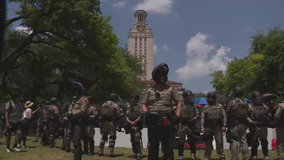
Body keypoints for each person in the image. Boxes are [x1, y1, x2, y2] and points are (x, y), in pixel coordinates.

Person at [140, 63, 182, 160]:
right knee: (153, 145)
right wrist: (147, 113)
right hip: (153, 120)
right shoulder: (150, 90)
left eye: (164, 75)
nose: (162, 77)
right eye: (160, 75)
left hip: (166, 119)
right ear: (156, 76)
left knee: (168, 145)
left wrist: (177, 115)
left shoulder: (170, 89)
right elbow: (144, 104)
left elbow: (179, 102)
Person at [67, 82, 89, 160]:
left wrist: (72, 113)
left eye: (76, 90)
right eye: (74, 90)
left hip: (79, 122)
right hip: (73, 122)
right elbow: (70, 108)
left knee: (76, 141)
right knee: (73, 140)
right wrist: (69, 113)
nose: (74, 91)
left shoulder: (84, 99)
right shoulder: (74, 100)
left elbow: (82, 111)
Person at [201, 91, 226, 160]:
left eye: (212, 97)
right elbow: (202, 117)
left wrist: (224, 125)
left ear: (215, 98)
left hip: (217, 126)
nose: (210, 99)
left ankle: (221, 157)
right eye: (209, 98)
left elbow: (224, 116)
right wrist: (202, 127)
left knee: (219, 142)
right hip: (208, 126)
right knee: (208, 143)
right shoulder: (206, 107)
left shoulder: (219, 106)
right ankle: (207, 157)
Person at [226, 87, 250, 160]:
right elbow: (247, 112)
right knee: (244, 141)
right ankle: (246, 157)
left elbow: (227, 112)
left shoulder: (232, 102)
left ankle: (234, 158)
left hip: (234, 125)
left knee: (234, 140)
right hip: (243, 124)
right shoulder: (245, 102)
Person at [178, 90, 199, 160]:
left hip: (190, 124)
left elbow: (198, 114)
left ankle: (193, 154)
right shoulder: (180, 104)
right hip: (183, 123)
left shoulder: (193, 104)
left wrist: (194, 119)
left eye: (190, 96)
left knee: (191, 140)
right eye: (188, 96)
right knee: (181, 140)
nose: (190, 97)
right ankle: (180, 155)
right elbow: (176, 112)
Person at [249, 91, 270, 160]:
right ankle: (254, 155)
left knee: (264, 141)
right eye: (257, 97)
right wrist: (251, 122)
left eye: (259, 97)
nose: (258, 99)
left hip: (263, 125)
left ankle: (266, 155)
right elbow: (246, 116)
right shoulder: (250, 106)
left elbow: (269, 115)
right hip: (255, 126)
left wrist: (267, 109)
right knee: (254, 142)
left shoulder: (264, 106)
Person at [126, 94, 143, 160]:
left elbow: (141, 115)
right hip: (131, 125)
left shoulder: (139, 106)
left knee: (137, 139)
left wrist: (135, 122)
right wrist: (129, 122)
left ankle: (139, 153)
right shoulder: (130, 107)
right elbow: (126, 115)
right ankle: (135, 153)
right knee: (132, 139)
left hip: (137, 125)